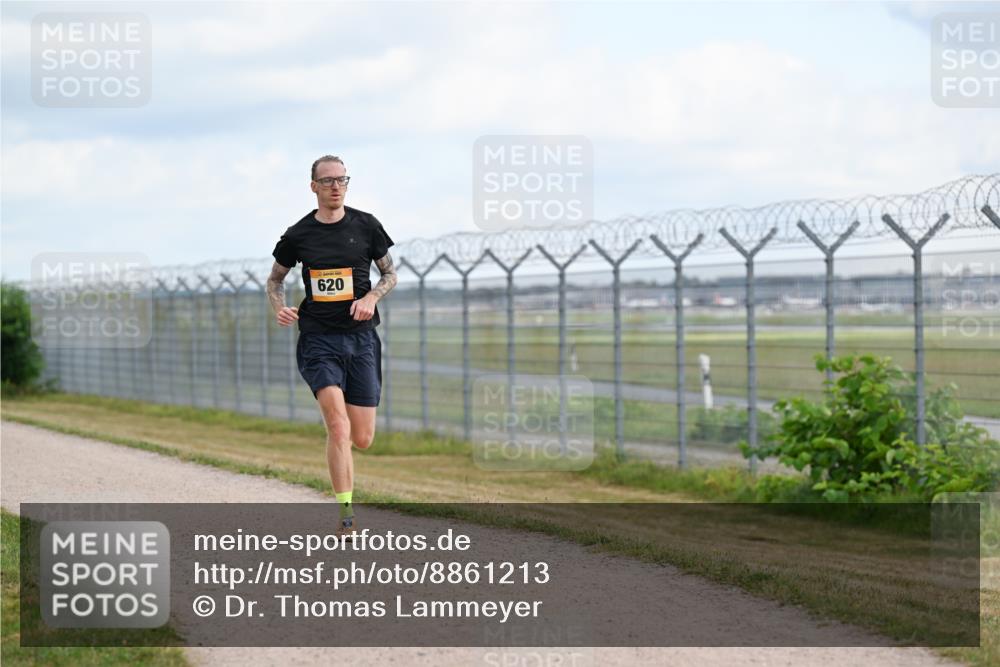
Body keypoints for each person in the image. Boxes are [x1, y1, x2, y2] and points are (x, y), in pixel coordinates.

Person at [267, 155, 397, 539]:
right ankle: (346, 514)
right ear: (314, 187)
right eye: (327, 181)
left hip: (361, 339)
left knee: (362, 438)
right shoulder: (298, 234)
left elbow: (389, 273)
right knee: (337, 426)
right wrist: (281, 308)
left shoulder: (366, 225)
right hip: (318, 339)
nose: (335, 186)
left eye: (341, 180)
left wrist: (372, 297)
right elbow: (274, 281)